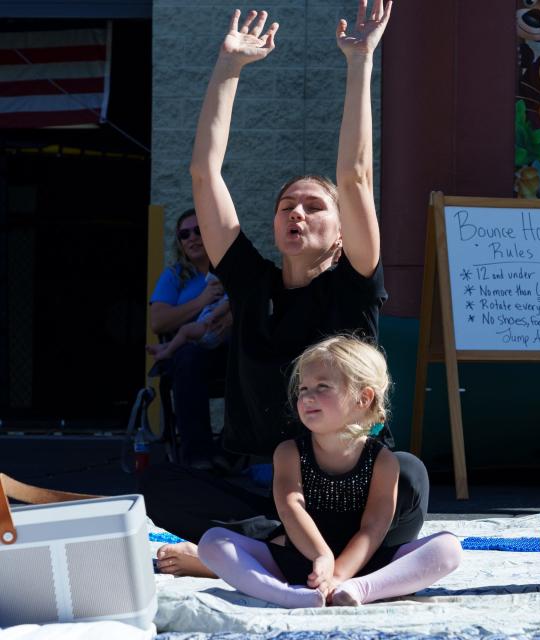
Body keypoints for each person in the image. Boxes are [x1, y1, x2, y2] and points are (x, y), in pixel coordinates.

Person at [144, 0, 430, 581]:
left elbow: (354, 175)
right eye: (285, 206)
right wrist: (228, 69)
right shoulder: (252, 283)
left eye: (313, 206)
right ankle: (280, 546)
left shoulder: (353, 287)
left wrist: (359, 61)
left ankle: (252, 553)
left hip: (348, 488)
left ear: (343, 229)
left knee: (411, 480)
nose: (296, 213)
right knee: (160, 487)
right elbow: (205, 174)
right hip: (264, 484)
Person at [197, 337, 461, 607]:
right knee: (213, 541)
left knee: (448, 548)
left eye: (322, 387)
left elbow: (373, 528)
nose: (307, 396)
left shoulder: (382, 461)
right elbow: (291, 509)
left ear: (363, 398)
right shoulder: (289, 452)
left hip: (362, 565)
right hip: (305, 563)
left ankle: (360, 589)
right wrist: (321, 557)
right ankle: (289, 596)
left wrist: (338, 576)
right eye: (303, 388)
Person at [148, 209, 232, 468]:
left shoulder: (230, 271)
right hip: (190, 352)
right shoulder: (175, 276)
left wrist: (232, 318)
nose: (192, 238)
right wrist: (202, 301)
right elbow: (158, 321)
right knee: (189, 357)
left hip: (227, 350)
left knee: (254, 357)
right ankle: (197, 455)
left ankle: (229, 449)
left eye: (199, 231)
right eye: (184, 234)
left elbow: (254, 305)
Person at [147, 272, 230, 361]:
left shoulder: (226, 270)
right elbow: (157, 323)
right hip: (197, 338)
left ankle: (167, 351)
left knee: (186, 334)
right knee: (187, 341)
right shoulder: (174, 273)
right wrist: (202, 301)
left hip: (217, 332)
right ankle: (166, 347)